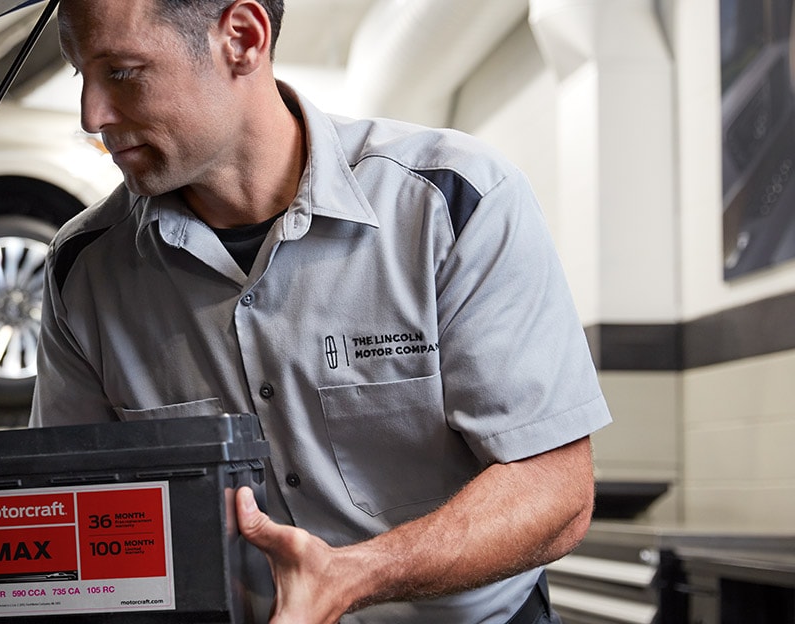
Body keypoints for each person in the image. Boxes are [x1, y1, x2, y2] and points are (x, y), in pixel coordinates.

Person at [30, 1, 612, 623]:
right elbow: (68, 507)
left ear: (241, 39)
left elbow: (553, 490)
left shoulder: (451, 202)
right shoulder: (83, 271)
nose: (92, 115)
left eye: (121, 72)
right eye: (81, 75)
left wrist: (353, 576)